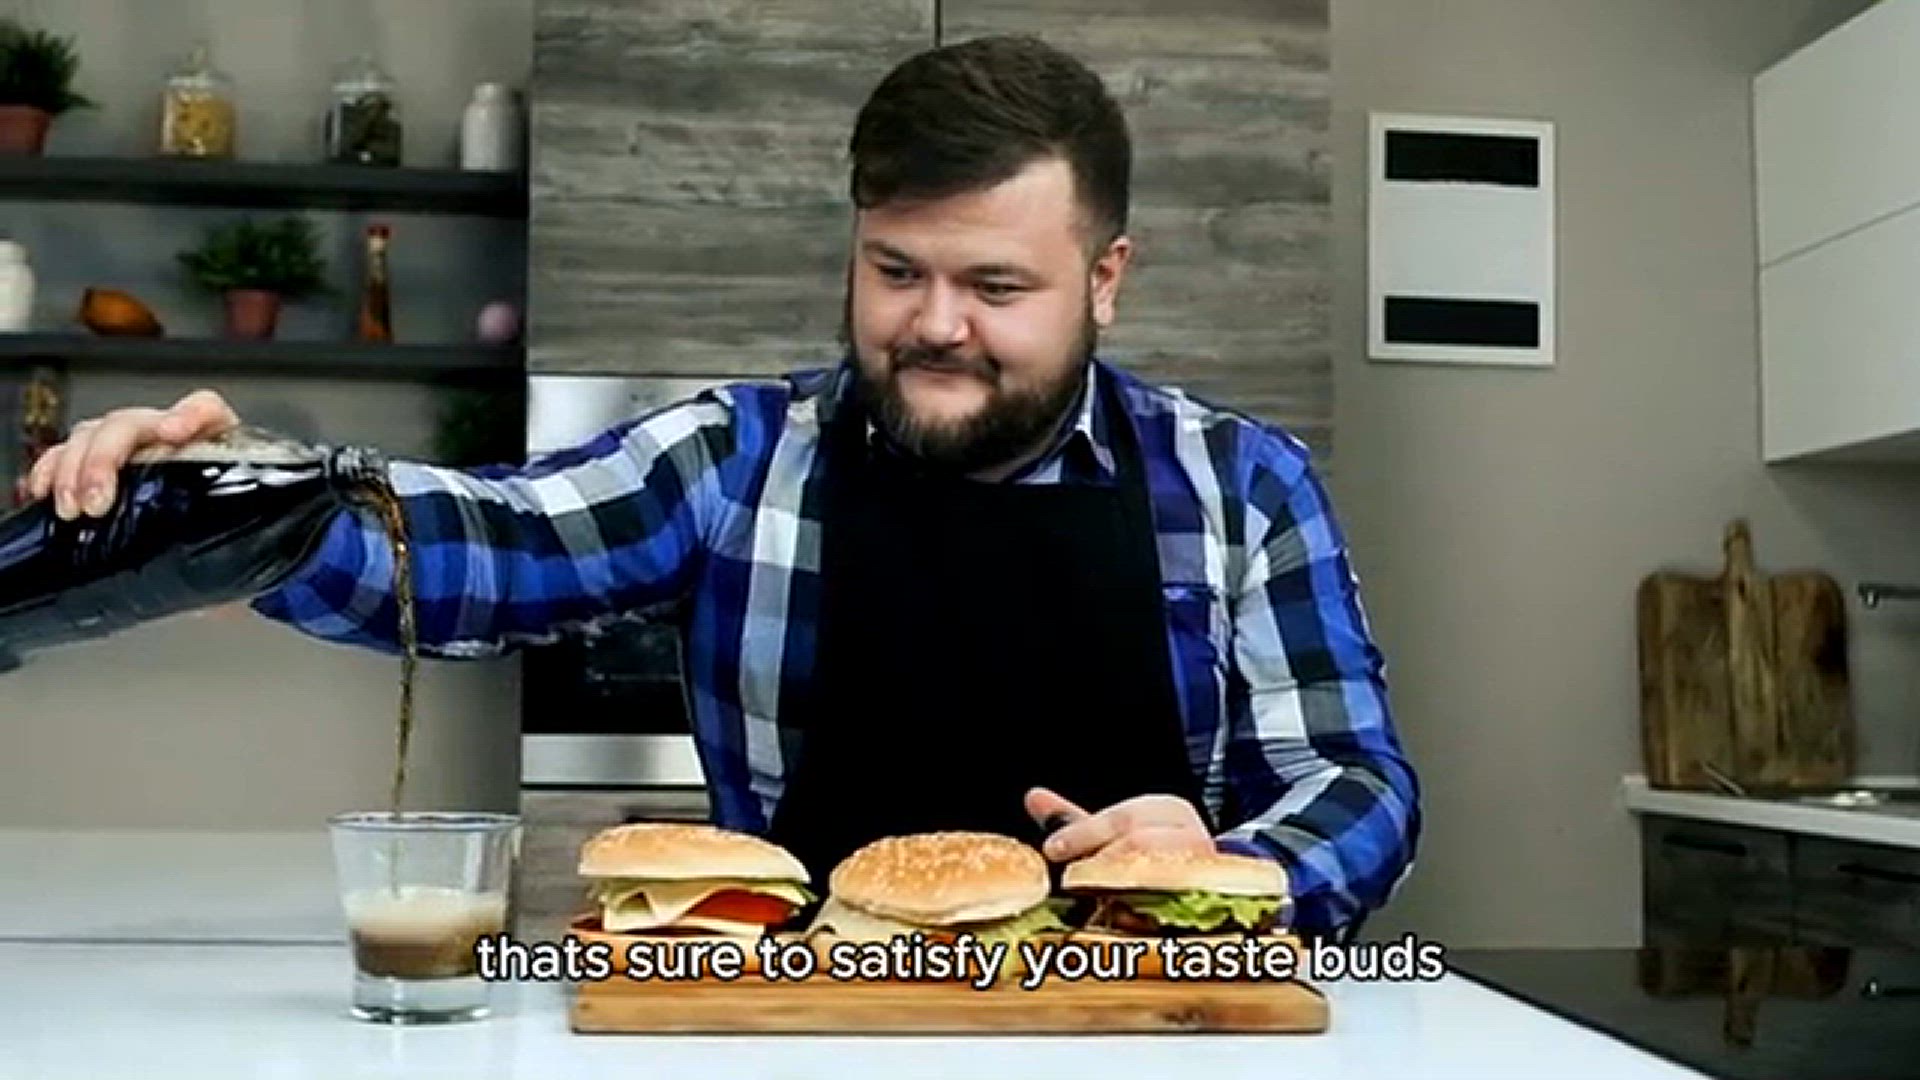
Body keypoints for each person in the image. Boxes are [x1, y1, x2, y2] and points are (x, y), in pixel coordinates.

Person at [23, 36, 1419, 938]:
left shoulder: (1242, 488)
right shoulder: (739, 458)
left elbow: (1354, 781)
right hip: (800, 1020)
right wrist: (240, 494)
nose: (935, 326)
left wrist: (1237, 872)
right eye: (896, 271)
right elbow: (484, 546)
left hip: (1153, 1029)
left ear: (1106, 280)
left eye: (997, 287)